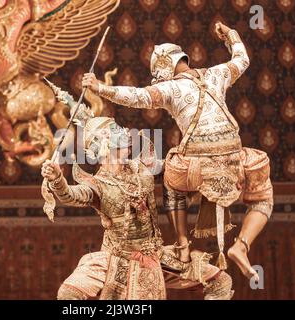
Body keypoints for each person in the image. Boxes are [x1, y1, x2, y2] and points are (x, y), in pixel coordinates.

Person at [81, 22, 273, 281]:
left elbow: (136, 96)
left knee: (171, 179)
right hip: (235, 157)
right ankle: (241, 245)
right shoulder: (217, 74)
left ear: (164, 69)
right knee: (262, 199)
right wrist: (231, 35)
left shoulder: (169, 88)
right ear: (182, 60)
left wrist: (99, 88)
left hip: (197, 164)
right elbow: (242, 59)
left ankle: (182, 244)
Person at [41, 116, 233, 300]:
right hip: (116, 260)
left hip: (156, 256)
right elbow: (71, 196)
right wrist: (57, 179)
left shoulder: (142, 167)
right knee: (68, 293)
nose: (125, 133)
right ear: (103, 144)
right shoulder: (97, 185)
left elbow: (177, 170)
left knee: (220, 281)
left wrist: (203, 158)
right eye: (115, 130)